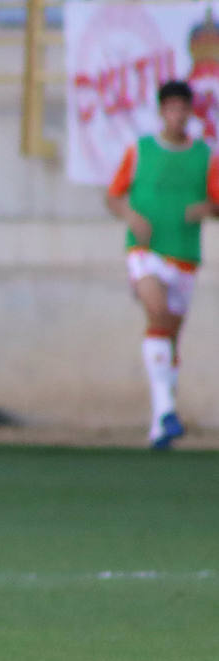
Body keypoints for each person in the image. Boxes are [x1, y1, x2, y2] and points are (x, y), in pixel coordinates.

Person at [106, 79, 219, 449]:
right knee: (155, 312)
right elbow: (114, 195)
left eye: (183, 108)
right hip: (145, 250)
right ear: (161, 112)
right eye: (170, 108)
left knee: (170, 334)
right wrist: (130, 215)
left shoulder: (206, 155)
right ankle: (168, 410)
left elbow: (218, 202)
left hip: (184, 254)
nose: (177, 115)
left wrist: (207, 208)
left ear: (190, 112)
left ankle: (160, 423)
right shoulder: (140, 151)